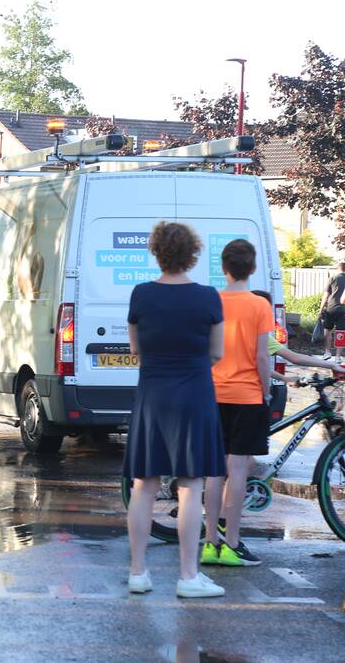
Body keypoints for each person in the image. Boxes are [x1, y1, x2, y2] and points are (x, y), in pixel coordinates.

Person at [124, 221, 227, 598]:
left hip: (153, 395)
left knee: (144, 485)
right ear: (193, 253)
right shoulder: (208, 297)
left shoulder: (141, 295)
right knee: (190, 487)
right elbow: (216, 352)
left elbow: (136, 350)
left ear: (156, 252)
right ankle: (188, 577)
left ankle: (138, 572)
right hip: (194, 394)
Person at [203, 240, 273, 568]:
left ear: (224, 268)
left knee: (214, 472)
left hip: (214, 393)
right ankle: (232, 543)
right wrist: (266, 389)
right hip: (247, 395)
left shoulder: (212, 301)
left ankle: (209, 543)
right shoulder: (259, 306)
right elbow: (262, 356)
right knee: (238, 470)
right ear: (253, 268)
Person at [253, 290, 343, 381]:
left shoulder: (242, 332)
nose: (268, 315)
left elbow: (256, 367)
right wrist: (331, 365)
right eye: (267, 311)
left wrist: (284, 378)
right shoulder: (259, 337)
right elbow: (295, 358)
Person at [319, 262, 345, 360]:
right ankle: (338, 357)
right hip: (343, 310)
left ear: (338, 269)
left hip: (331, 308)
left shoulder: (332, 278)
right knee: (341, 332)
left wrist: (321, 309)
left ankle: (327, 352)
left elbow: (326, 295)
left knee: (328, 329)